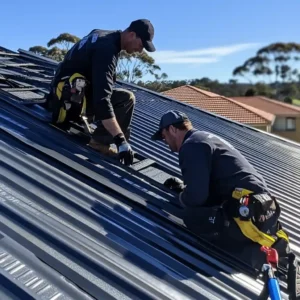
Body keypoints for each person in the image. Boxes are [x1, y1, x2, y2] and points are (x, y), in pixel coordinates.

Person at [151, 110, 295, 273]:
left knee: (192, 216)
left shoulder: (190, 145)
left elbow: (197, 197)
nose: (165, 143)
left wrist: (182, 196)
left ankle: (249, 254)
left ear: (172, 129)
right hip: (259, 206)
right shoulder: (204, 137)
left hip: (245, 211)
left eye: (164, 137)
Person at [46, 19, 156, 166]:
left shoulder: (103, 34)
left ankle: (102, 136)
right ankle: (98, 143)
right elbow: (102, 100)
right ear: (131, 34)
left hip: (59, 94)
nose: (140, 50)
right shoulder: (107, 50)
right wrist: (120, 141)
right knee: (126, 98)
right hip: (67, 102)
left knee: (116, 96)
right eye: (141, 45)